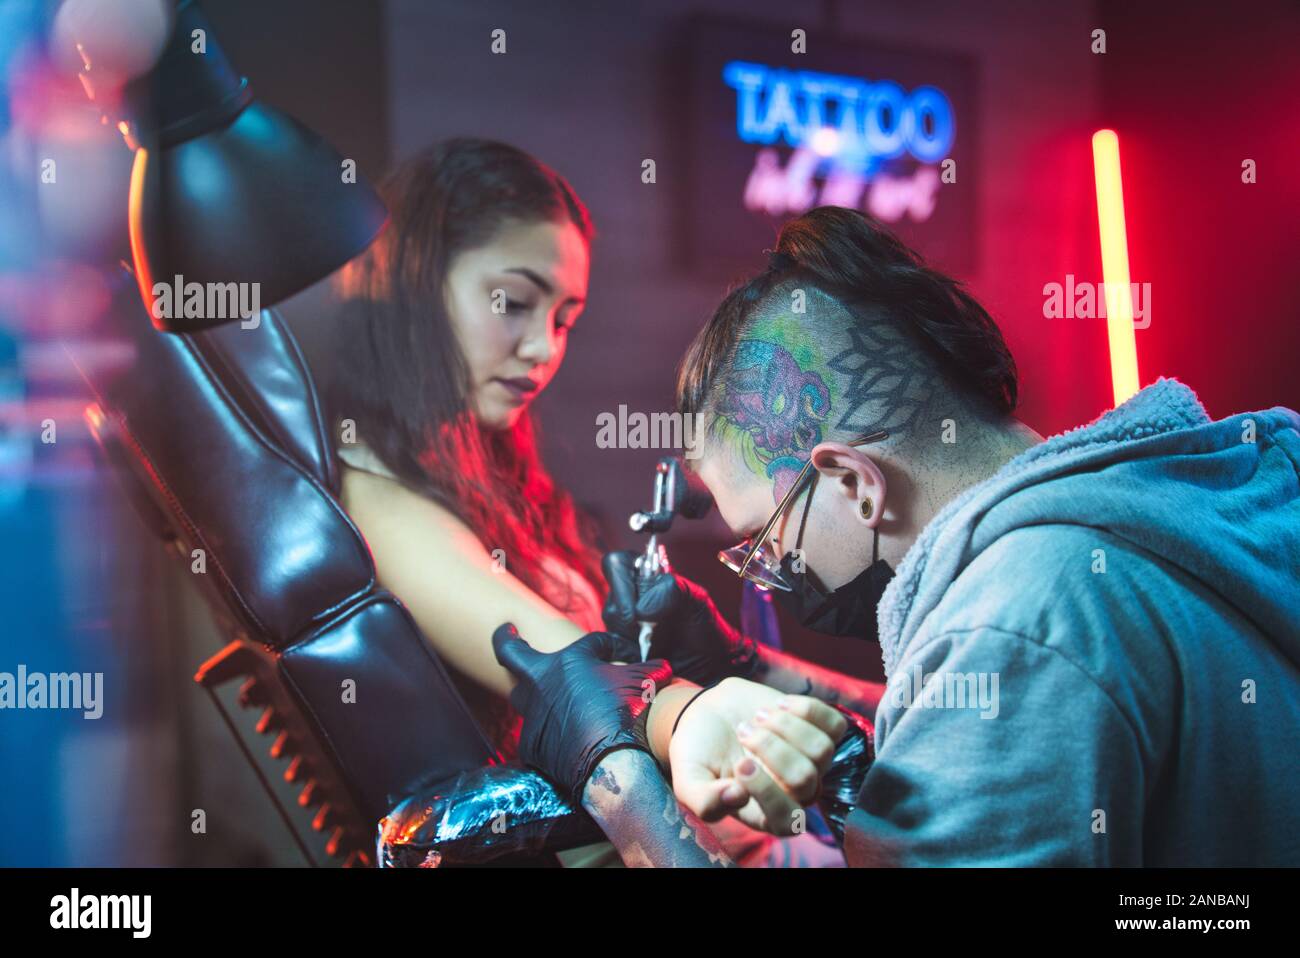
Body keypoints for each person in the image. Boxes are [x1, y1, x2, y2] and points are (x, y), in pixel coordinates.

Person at [496, 205, 1300, 866]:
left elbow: (1005, 682)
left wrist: (618, 772)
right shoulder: (1215, 494)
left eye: (767, 538)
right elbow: (972, 716)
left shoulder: (1018, 617)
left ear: (853, 481)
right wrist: (747, 670)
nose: (767, 572)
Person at [325, 138, 847, 867]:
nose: (543, 347)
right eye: (515, 301)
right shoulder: (375, 498)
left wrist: (753, 671)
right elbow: (569, 675)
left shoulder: (485, 481)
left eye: (565, 318)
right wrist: (694, 714)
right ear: (411, 281)